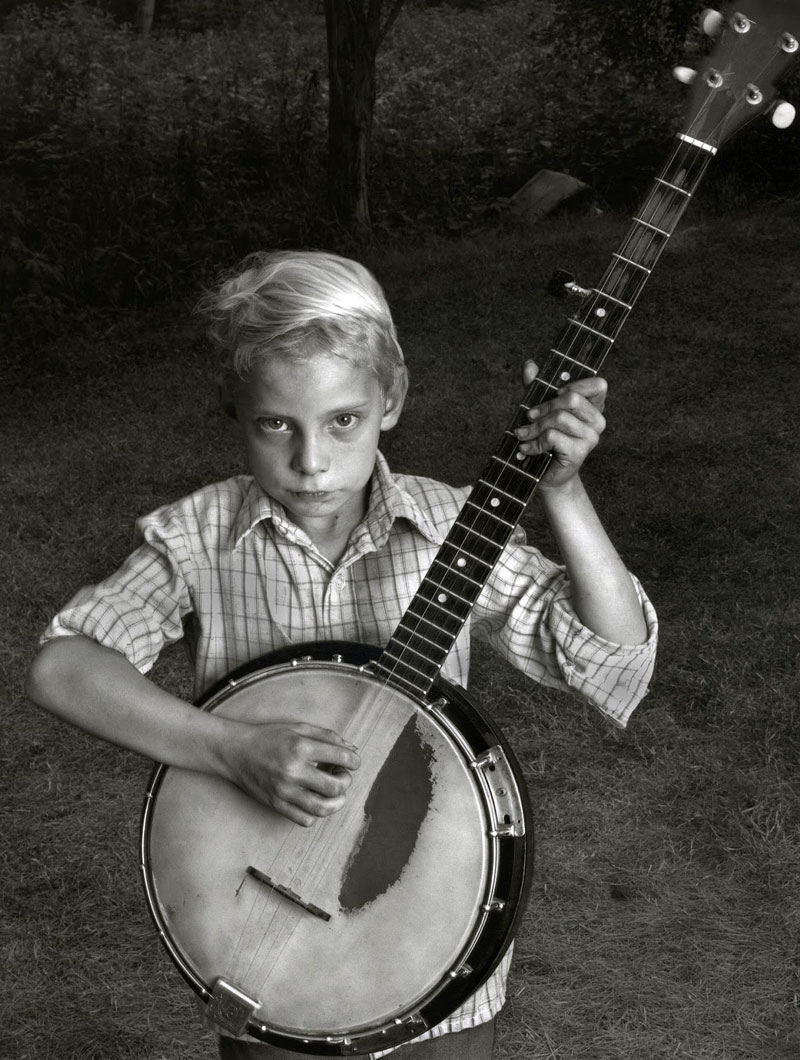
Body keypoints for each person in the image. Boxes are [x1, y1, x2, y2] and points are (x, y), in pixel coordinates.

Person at [25, 250, 657, 1060]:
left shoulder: (452, 528)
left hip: (431, 925)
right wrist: (231, 748)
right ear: (235, 408)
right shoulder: (196, 537)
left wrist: (564, 488)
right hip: (263, 932)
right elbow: (62, 667)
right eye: (276, 424)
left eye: (342, 421)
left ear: (390, 400)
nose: (311, 461)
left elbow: (613, 658)